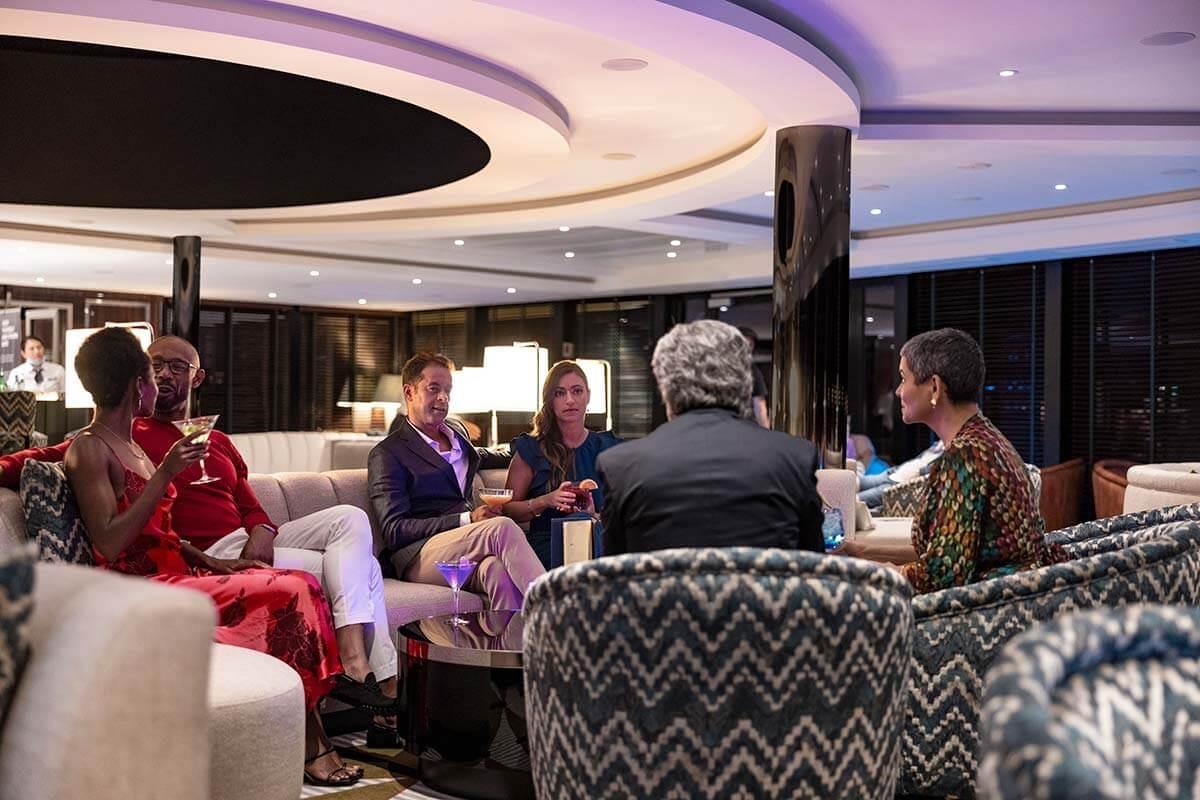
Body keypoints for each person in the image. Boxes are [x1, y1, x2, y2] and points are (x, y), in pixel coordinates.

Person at [1, 335, 398, 740]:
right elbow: (39, 460)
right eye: (156, 366)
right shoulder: (121, 436)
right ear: (137, 380)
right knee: (360, 569)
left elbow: (249, 503)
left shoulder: (214, 441)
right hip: (200, 552)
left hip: (236, 543)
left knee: (351, 520)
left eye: (176, 367)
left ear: (197, 377)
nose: (163, 375)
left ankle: (366, 681)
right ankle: (374, 686)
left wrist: (262, 529)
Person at [63, 327, 360, 787]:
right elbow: (109, 542)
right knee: (290, 589)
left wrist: (213, 560)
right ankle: (312, 744)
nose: (159, 383)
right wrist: (166, 474)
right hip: (141, 588)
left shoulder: (132, 446)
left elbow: (160, 532)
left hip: (181, 571)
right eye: (152, 374)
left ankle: (304, 737)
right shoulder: (89, 446)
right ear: (136, 385)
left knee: (296, 582)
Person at [848, 328, 1065, 593]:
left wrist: (856, 569)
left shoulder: (965, 457)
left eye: (904, 379)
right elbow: (945, 553)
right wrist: (859, 552)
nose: (897, 391)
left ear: (935, 387)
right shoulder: (983, 439)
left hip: (979, 607)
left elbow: (938, 578)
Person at [598, 320, 824, 555]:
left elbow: (614, 571)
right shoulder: (795, 459)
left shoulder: (621, 466)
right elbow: (813, 566)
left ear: (665, 386)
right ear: (746, 383)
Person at [368, 353, 545, 610]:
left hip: (465, 546)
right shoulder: (388, 454)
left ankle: (511, 636)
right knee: (501, 527)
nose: (443, 397)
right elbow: (395, 530)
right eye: (433, 389)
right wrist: (467, 519)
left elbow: (481, 457)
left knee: (496, 570)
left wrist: (534, 449)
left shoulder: (457, 434)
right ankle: (555, 613)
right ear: (409, 392)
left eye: (447, 390)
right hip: (419, 555)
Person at [502, 360, 621, 567]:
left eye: (577, 391)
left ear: (588, 396)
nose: (570, 400)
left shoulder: (608, 448)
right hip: (549, 545)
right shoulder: (531, 449)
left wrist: (593, 515)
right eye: (559, 393)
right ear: (550, 400)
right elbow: (507, 510)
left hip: (599, 539)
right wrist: (546, 501)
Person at [737, 326, 770, 428]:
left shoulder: (752, 370)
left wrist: (765, 433)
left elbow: (759, 406)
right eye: (743, 344)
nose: (747, 348)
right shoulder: (717, 366)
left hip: (743, 426)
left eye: (750, 345)